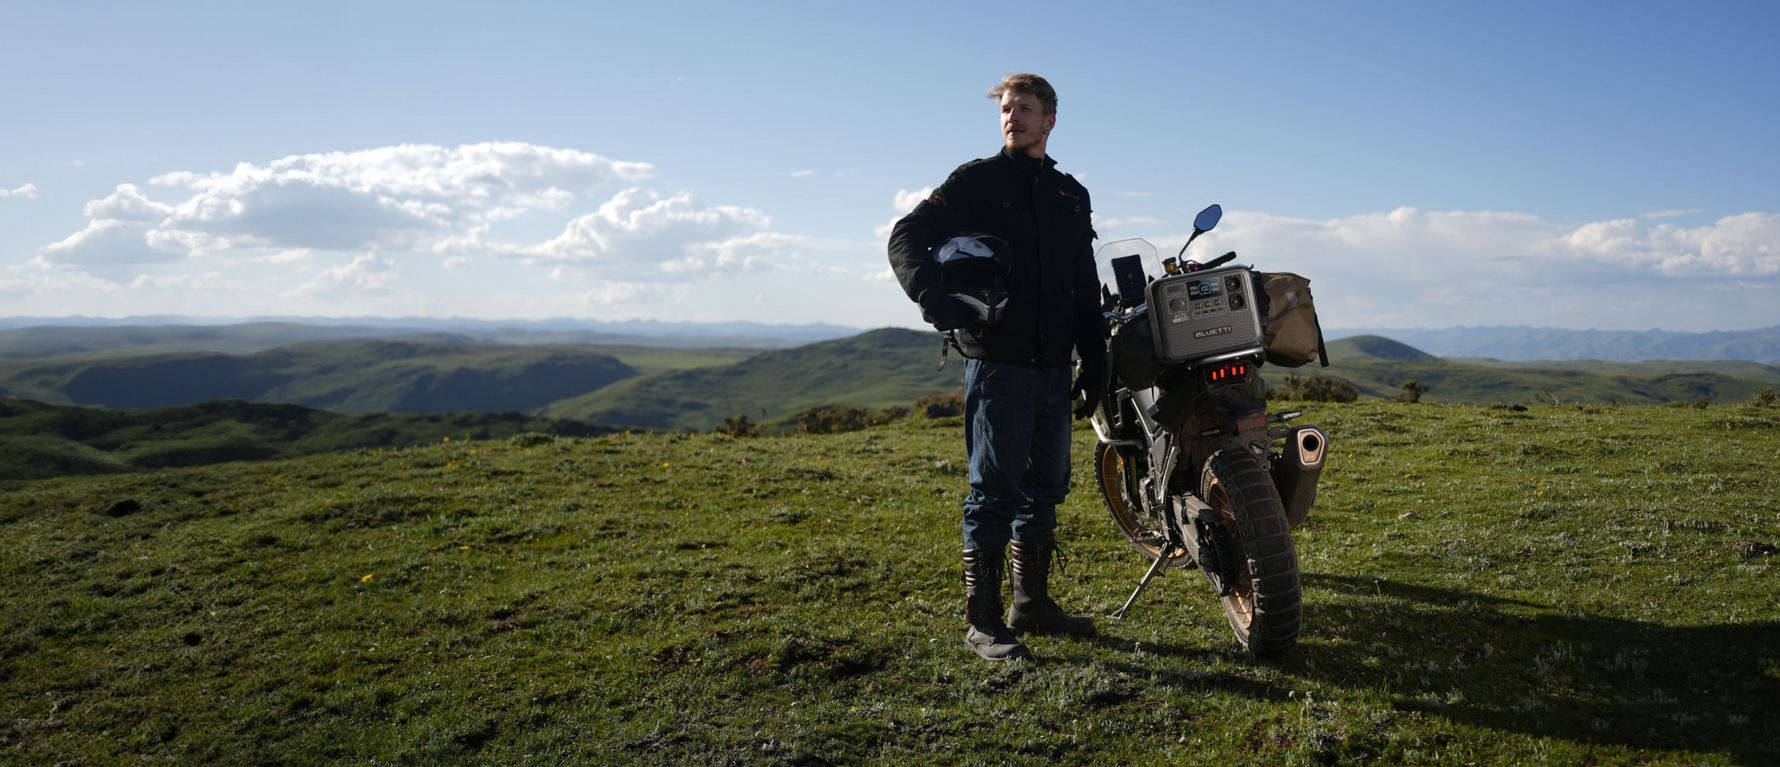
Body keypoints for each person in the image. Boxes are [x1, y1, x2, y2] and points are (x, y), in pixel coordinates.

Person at [886, 73, 1108, 661]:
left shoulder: (1070, 194)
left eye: (1025, 109)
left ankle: (1030, 604)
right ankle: (982, 622)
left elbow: (1084, 282)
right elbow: (906, 235)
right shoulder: (976, 180)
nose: (1013, 117)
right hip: (999, 365)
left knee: (1045, 489)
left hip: (1054, 367)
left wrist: (1096, 359)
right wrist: (933, 297)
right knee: (994, 493)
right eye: (1007, 109)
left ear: (1049, 120)